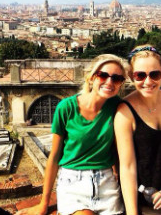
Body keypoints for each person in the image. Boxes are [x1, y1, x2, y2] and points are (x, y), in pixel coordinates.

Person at [16, 54, 127, 215]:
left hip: (107, 182)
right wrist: (43, 203)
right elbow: (54, 157)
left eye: (116, 78)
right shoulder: (66, 107)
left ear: (121, 84)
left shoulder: (118, 107)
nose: (109, 82)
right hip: (74, 182)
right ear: (91, 78)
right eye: (103, 75)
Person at [114, 45, 161, 215]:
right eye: (140, 75)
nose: (148, 82)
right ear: (130, 76)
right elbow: (127, 167)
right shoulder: (124, 112)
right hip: (148, 200)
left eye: (154, 75)